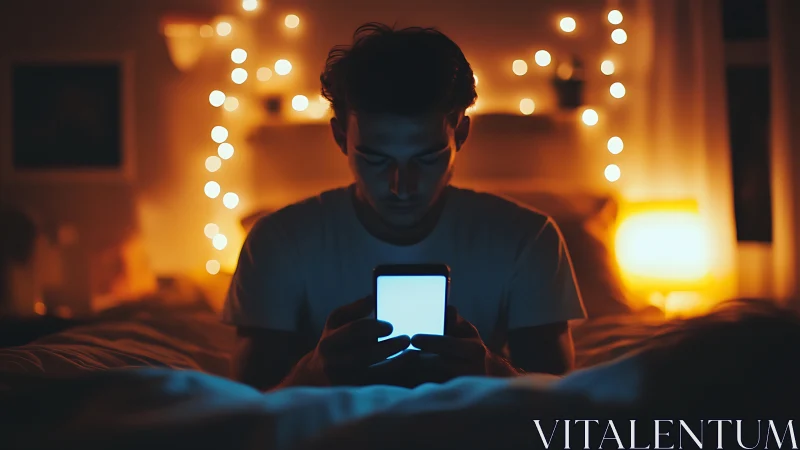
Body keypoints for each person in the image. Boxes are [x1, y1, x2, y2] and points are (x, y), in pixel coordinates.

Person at [223, 23, 585, 391]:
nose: (401, 186)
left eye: (427, 158)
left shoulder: (528, 238)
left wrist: (491, 370)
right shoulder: (278, 240)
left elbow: (557, 402)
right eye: (375, 159)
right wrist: (314, 372)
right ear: (340, 137)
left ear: (460, 134)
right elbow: (250, 407)